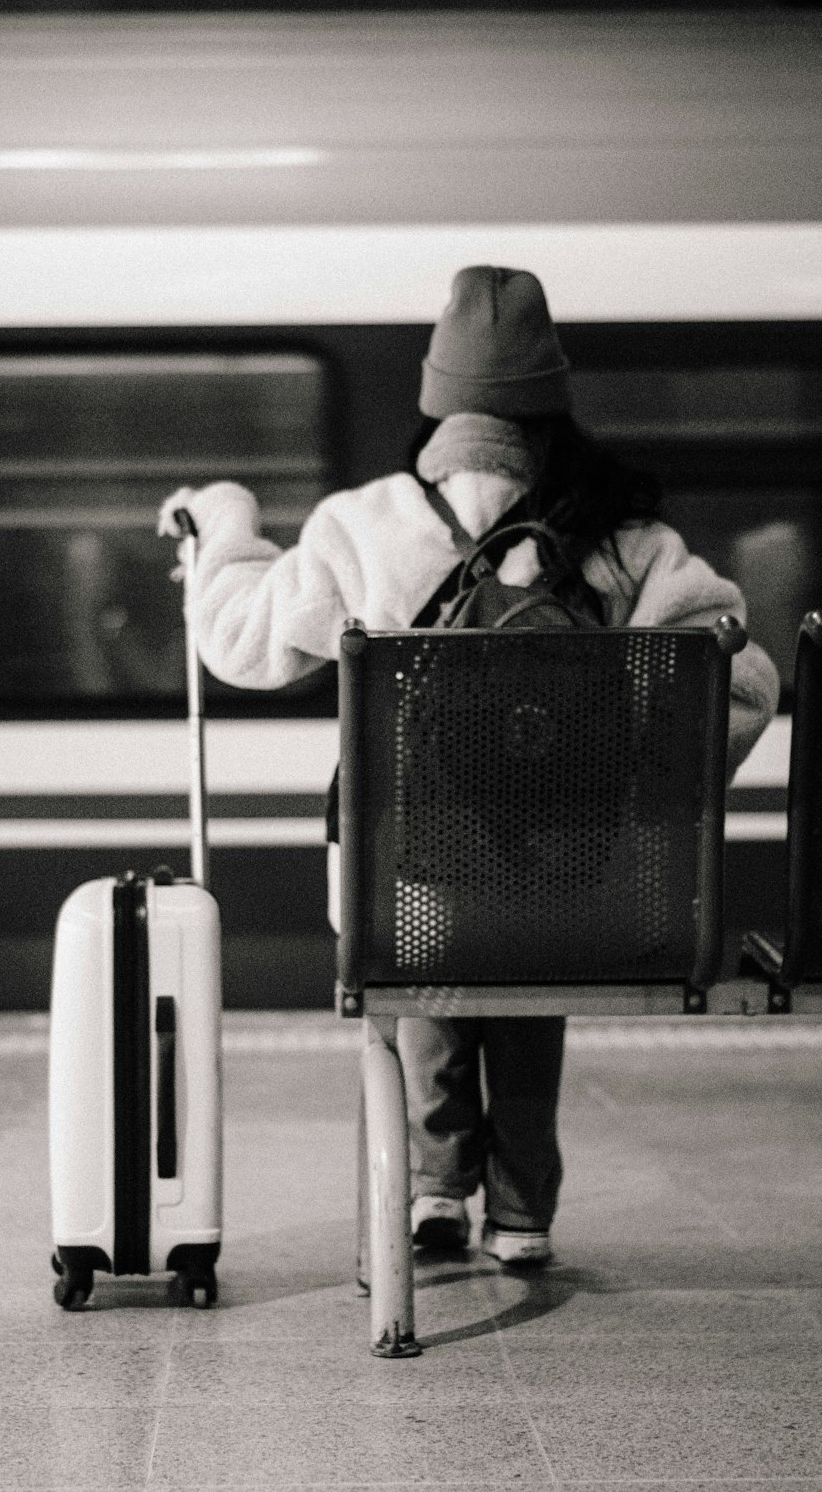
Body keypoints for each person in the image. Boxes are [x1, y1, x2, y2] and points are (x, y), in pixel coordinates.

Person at [158, 265, 780, 1267]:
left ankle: (434, 1192)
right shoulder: (623, 538)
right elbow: (737, 684)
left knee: (428, 956)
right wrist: (630, 762)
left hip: (407, 890)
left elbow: (236, 641)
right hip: (586, 890)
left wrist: (225, 522)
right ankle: (523, 1212)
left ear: (435, 400)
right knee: (530, 970)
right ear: (550, 401)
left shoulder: (362, 526)